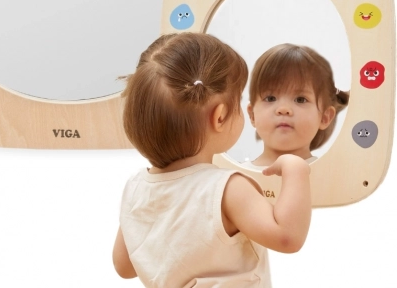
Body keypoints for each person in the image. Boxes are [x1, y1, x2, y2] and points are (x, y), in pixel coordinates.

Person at [113, 33, 312, 287]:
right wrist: (296, 171)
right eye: (238, 101)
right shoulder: (227, 189)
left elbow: (124, 266)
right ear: (220, 117)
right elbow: (287, 237)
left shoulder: (136, 189)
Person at [244, 43, 349, 169]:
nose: (283, 109)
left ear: (324, 117)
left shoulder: (330, 174)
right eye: (270, 98)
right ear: (252, 115)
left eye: (300, 100)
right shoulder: (236, 175)